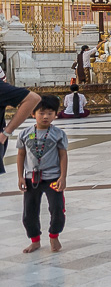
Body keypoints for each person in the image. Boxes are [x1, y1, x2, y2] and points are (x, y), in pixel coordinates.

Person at [17, 95, 68, 253]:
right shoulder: (25, 134)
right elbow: (21, 155)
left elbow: (63, 155)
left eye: (50, 113)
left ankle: (54, 236)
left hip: (53, 178)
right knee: (29, 212)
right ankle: (35, 240)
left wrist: (63, 177)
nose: (45, 116)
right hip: (31, 178)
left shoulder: (58, 134)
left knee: (57, 208)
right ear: (33, 114)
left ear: (55, 114)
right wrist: (20, 176)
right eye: (41, 113)